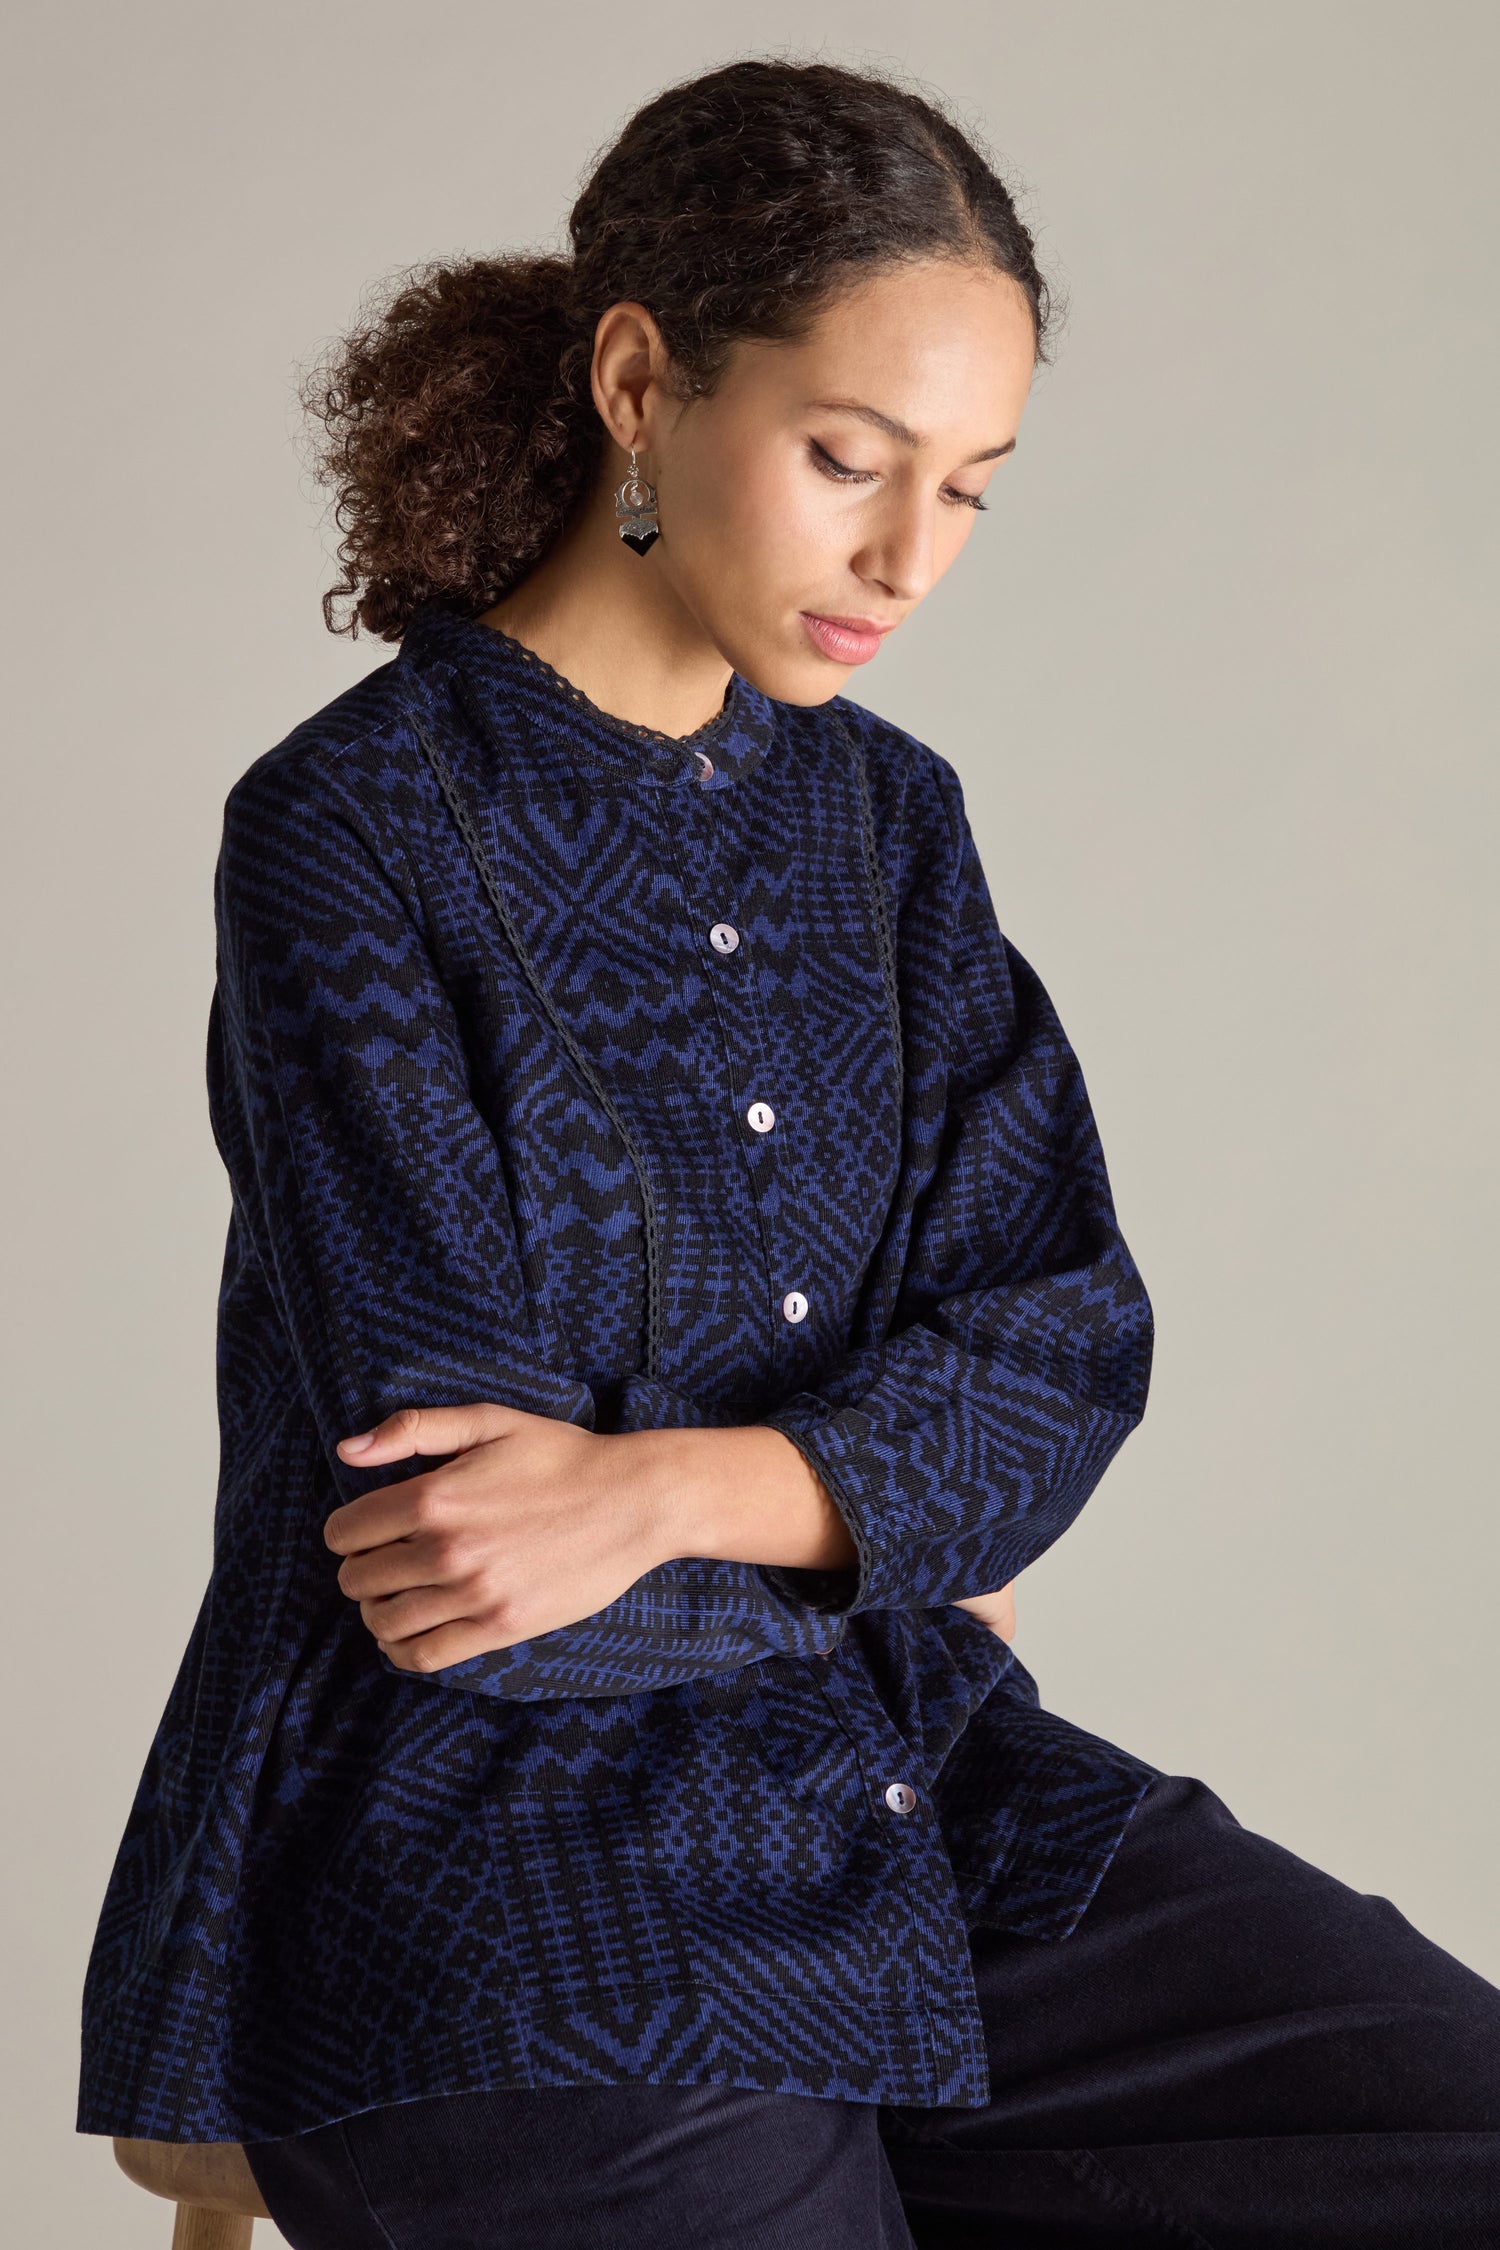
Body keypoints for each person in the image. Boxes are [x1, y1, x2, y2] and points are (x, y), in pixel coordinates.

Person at [77, 56, 1500, 2248]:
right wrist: (900, 1518)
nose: (910, 558)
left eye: (974, 490)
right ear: (641, 380)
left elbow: (1066, 1343)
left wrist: (678, 1492)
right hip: (492, 1879)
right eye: (850, 458)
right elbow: (462, 1563)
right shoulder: (350, 831)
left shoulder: (891, 823)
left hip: (901, 1799)